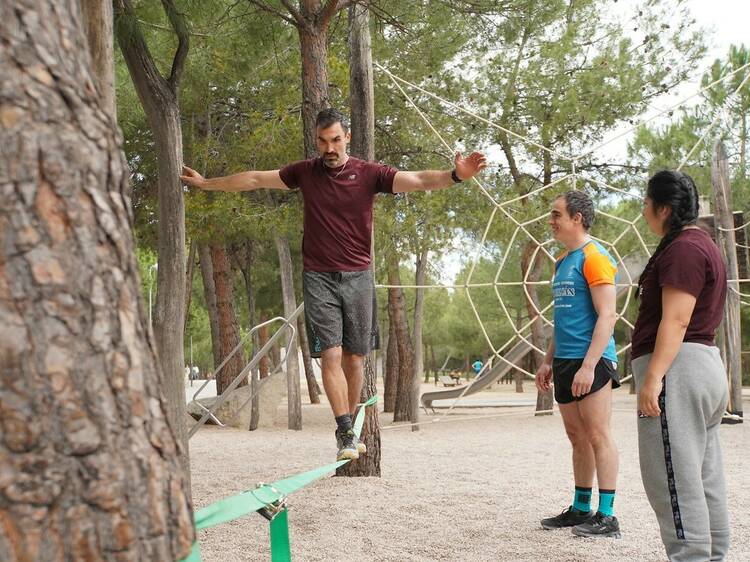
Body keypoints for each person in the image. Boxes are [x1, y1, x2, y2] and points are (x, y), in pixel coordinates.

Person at [181, 108, 486, 461]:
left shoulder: (369, 174)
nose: (330, 148)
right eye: (323, 141)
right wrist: (206, 183)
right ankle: (343, 431)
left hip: (358, 277)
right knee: (331, 353)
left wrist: (456, 176)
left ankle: (352, 425)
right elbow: (253, 179)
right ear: (316, 140)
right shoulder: (304, 173)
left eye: (336, 140)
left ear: (348, 139)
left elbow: (418, 180)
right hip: (318, 276)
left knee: (355, 358)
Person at [631, 170, 729, 561]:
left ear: (664, 208)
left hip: (679, 369)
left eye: (646, 202)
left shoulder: (684, 249)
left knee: (671, 477)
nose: (643, 210)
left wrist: (654, 377)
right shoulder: (702, 244)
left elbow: (676, 319)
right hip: (702, 365)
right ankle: (713, 555)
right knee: (704, 477)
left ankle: (691, 557)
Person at [535, 191, 621, 538]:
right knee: (576, 437)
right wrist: (547, 361)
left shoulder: (595, 257)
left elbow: (608, 315)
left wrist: (589, 366)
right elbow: (562, 318)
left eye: (557, 214)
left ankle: (608, 516)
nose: (551, 220)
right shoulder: (562, 262)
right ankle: (581, 508)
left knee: (599, 435)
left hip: (594, 361)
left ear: (578, 218)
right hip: (565, 361)